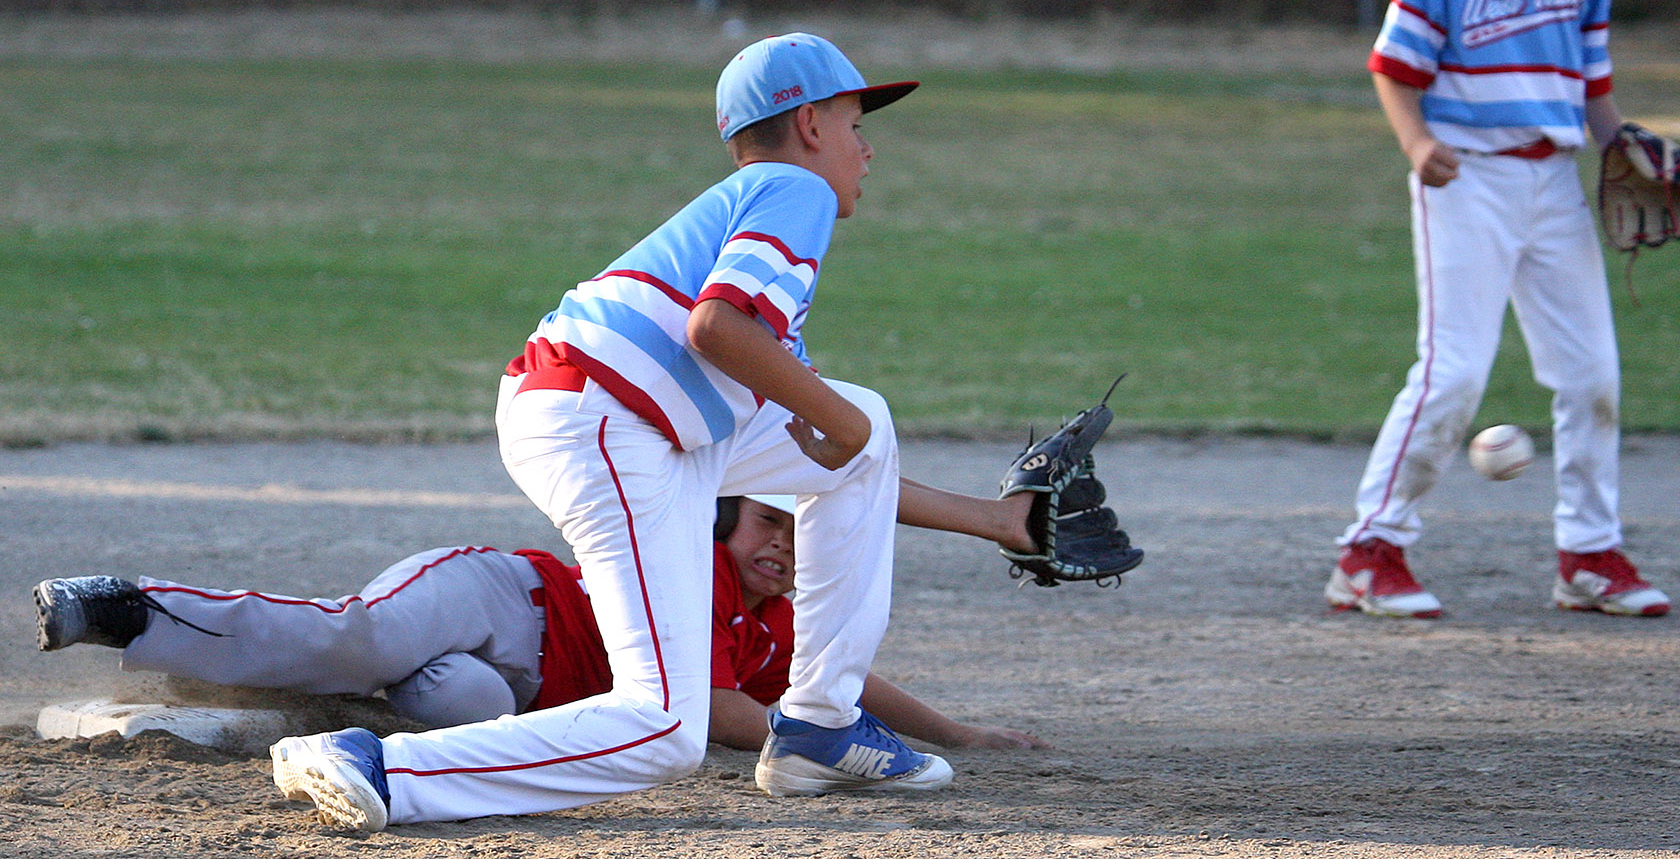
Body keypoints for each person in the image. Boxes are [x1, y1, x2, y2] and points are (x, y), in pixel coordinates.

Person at [263, 32, 956, 831]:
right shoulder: (789, 189)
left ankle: (821, 728)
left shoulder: (747, 206)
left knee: (865, 422)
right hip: (607, 417)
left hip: (623, 412)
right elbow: (721, 327)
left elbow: (779, 386)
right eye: (855, 124)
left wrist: (975, 505)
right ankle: (379, 766)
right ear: (808, 126)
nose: (866, 150)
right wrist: (840, 424)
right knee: (663, 728)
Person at [1327, 0, 1669, 620]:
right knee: (1452, 375)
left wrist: (1617, 144)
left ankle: (1589, 554)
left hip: (1554, 178)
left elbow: (1590, 72)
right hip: (1465, 177)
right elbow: (1395, 65)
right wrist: (1415, 144)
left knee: (1593, 373)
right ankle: (1370, 550)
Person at [32, 494, 1044, 752]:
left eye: (797, 534)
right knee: (369, 640)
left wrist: (954, 733)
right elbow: (716, 705)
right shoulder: (700, 566)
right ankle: (122, 606)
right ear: (728, 521)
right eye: (768, 524)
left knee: (462, 706)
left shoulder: (779, 626)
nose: (781, 547)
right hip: (497, 595)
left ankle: (221, 679)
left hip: (507, 685)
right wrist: (815, 741)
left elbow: (841, 681)